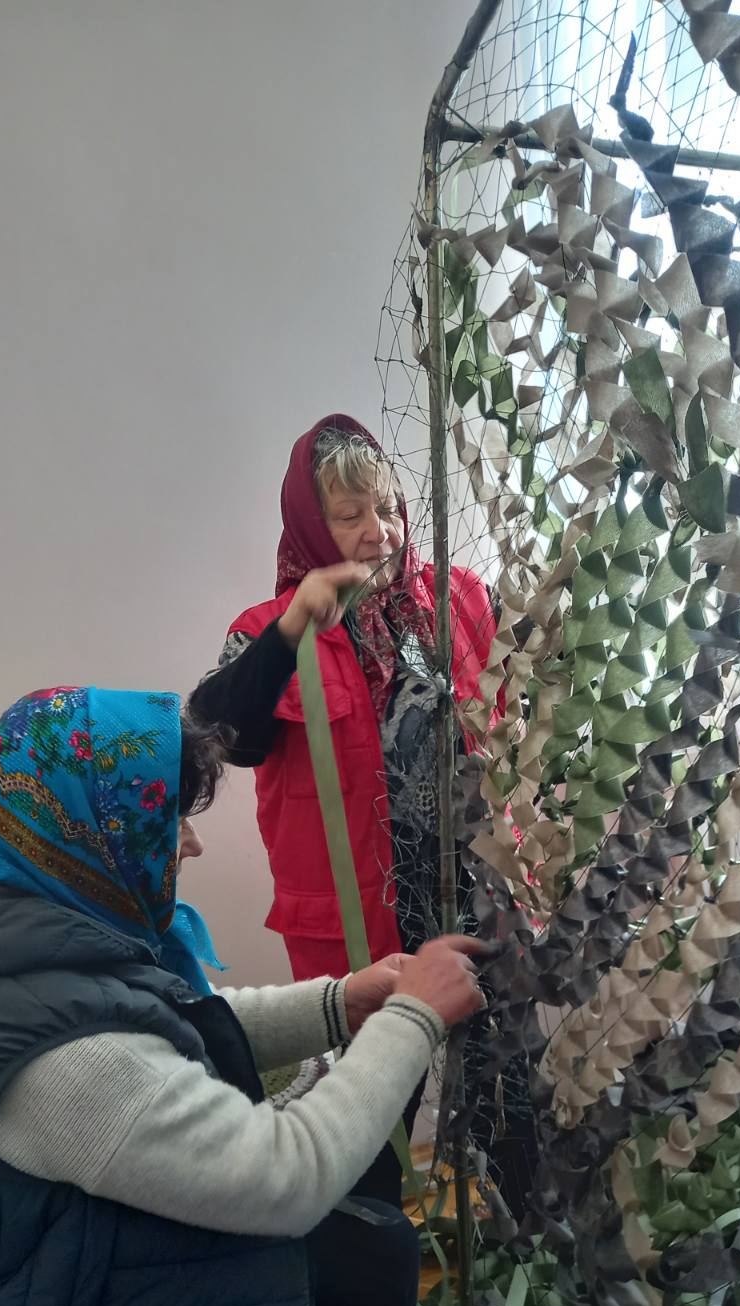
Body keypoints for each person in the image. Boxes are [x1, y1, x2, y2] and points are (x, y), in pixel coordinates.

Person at [0, 684, 493, 1306]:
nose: (193, 845)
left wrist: (342, 1001)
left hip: (84, 1282)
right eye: (171, 820)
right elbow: (283, 1176)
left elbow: (176, 1020)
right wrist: (413, 1019)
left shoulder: (16, 934)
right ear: (88, 829)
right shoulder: (58, 1064)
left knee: (371, 1254)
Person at [190, 414, 535, 1211]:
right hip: (354, 926)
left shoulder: (457, 599)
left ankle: (528, 1237)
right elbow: (217, 734)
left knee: (510, 1084)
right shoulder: (269, 630)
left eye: (388, 508)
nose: (379, 532)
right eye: (350, 516)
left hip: (473, 892)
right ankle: (371, 1253)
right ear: (312, 528)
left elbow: (526, 703)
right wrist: (292, 629)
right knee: (369, 1121)